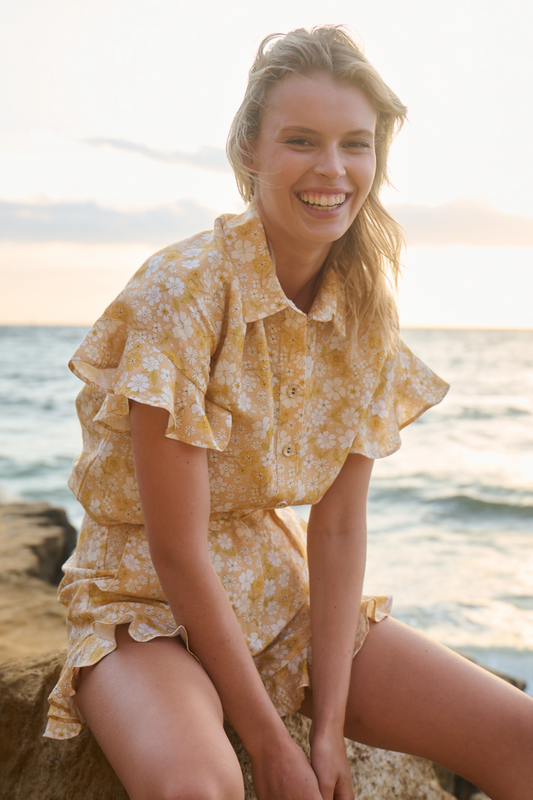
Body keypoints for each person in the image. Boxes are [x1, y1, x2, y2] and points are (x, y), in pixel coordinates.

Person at [45, 26, 533, 800]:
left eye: (355, 144)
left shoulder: (366, 311)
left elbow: (336, 528)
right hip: (145, 600)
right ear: (249, 152)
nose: (332, 170)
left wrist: (328, 727)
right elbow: (177, 551)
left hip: (277, 597)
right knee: (197, 791)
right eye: (301, 141)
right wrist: (273, 745)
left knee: (521, 736)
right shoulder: (181, 291)